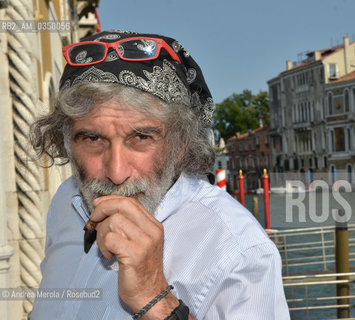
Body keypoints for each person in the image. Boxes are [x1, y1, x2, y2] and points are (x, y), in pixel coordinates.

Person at [29, 30, 289, 319]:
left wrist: (155, 298)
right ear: (67, 141)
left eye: (141, 137)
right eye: (92, 139)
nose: (116, 173)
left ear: (180, 144)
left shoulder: (238, 251)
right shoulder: (67, 200)